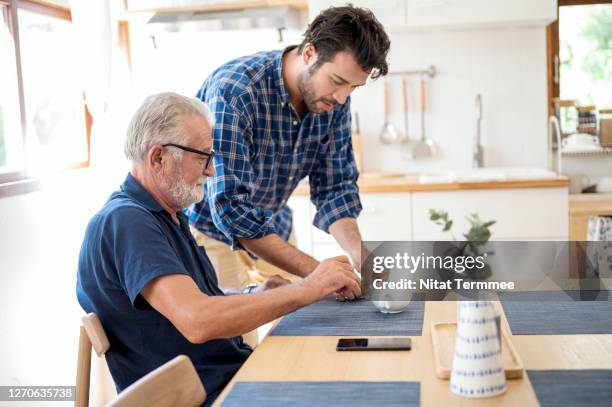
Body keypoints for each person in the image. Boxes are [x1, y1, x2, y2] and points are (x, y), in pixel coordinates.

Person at [76, 92, 361, 406]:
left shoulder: (163, 216)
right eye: (203, 157)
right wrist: (309, 287)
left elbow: (190, 300)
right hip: (207, 396)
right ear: (158, 157)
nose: (211, 171)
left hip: (225, 380)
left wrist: (256, 293)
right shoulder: (127, 221)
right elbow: (198, 320)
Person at [186, 5, 391, 297]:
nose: (343, 97)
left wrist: (363, 259)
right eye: (337, 81)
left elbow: (335, 189)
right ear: (309, 53)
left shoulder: (333, 101)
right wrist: (319, 272)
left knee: (297, 326)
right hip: (211, 232)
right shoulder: (237, 91)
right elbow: (229, 207)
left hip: (273, 225)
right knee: (236, 340)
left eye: (353, 88)